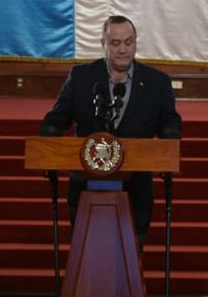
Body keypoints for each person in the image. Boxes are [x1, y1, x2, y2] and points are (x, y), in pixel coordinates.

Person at [40, 15, 181, 245]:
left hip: (136, 188)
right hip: (86, 185)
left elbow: (169, 123)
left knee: (131, 255)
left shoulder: (158, 82)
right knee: (87, 249)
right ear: (103, 44)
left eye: (129, 42)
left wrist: (169, 144)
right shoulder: (81, 77)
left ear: (135, 42)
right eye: (115, 43)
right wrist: (48, 137)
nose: (123, 49)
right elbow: (58, 117)